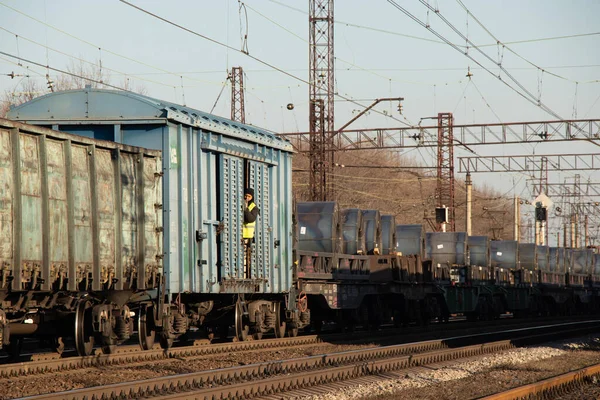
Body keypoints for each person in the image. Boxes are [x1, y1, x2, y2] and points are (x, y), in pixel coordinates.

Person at [243, 188, 259, 278]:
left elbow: (250, 219)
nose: (247, 198)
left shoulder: (254, 207)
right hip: (240, 236)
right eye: (245, 196)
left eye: (249, 196)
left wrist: (245, 209)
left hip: (248, 237)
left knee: (246, 259)